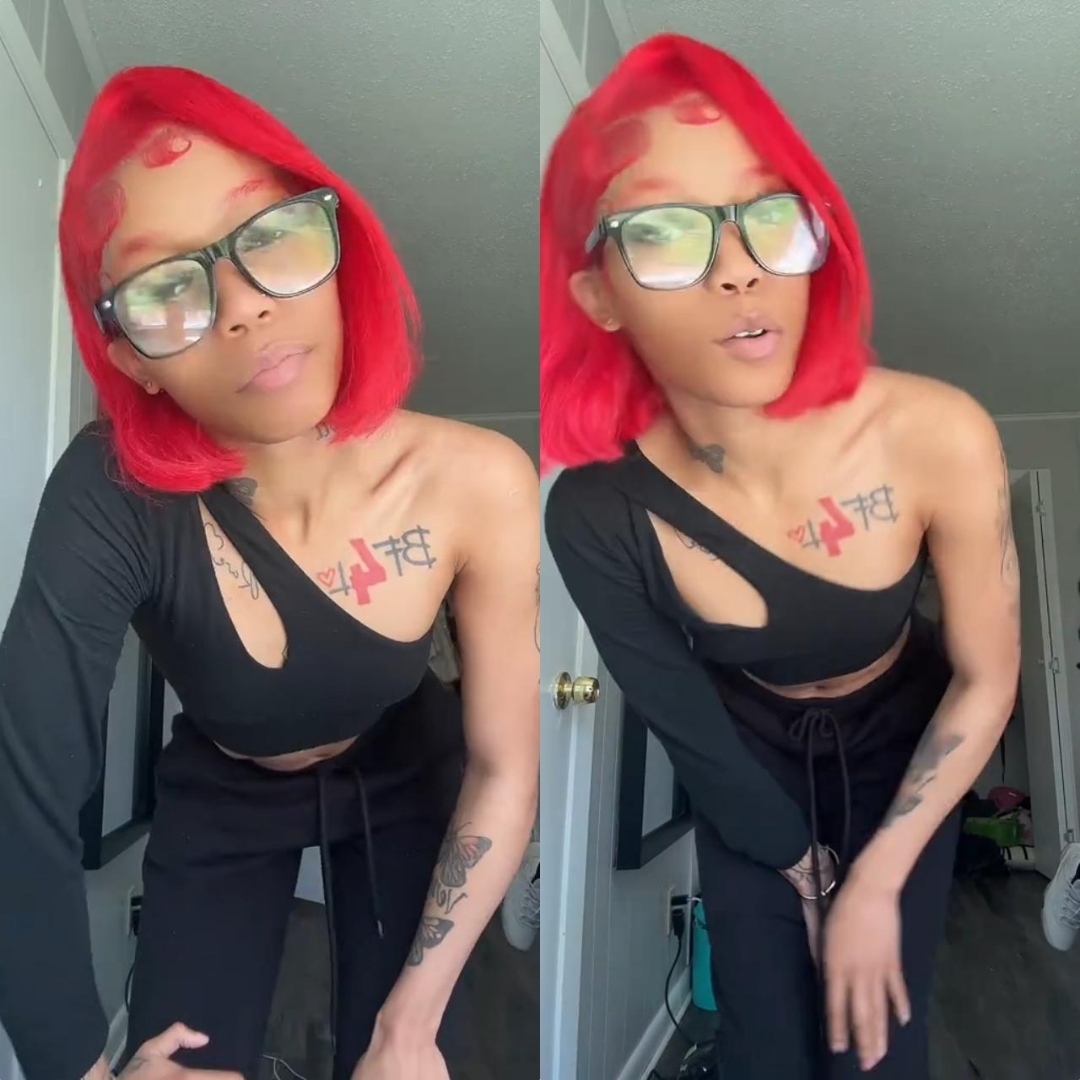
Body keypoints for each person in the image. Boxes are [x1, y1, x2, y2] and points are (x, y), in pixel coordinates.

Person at [0, 66, 539, 1080]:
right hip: (224, 783)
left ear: (337, 248)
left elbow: (507, 767)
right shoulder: (108, 492)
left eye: (270, 235)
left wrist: (411, 1024)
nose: (242, 307)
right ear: (131, 357)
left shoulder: (479, 481)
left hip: (407, 772)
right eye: (166, 288)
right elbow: (19, 796)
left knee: (419, 1052)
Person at [541, 34, 1019, 1080]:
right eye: (664, 232)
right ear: (599, 296)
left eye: (770, 214)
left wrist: (875, 882)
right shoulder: (595, 511)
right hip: (741, 753)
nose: (740, 269)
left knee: (876, 1043)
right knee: (767, 1042)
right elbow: (686, 720)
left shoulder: (936, 434)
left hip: (907, 738)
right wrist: (798, 870)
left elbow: (988, 678)